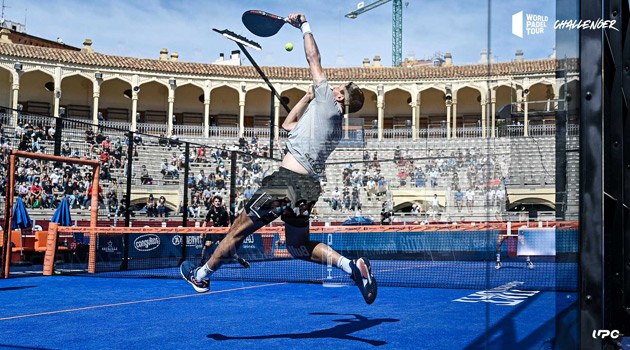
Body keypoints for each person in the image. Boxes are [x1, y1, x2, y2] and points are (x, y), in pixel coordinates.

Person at [180, 13, 375, 304]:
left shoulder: (328, 100)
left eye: (338, 88)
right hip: (308, 189)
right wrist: (307, 97)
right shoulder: (333, 125)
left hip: (286, 183)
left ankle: (202, 275)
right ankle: (350, 266)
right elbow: (288, 126)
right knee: (298, 247)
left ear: (342, 98)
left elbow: (313, 57)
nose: (333, 86)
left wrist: (304, 26)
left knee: (237, 230)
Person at [199, 195, 250, 268]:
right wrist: (202, 232)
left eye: (219, 201)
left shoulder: (223, 212)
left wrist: (229, 233)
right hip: (215, 231)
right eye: (216, 201)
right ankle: (202, 262)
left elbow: (229, 223)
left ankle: (241, 261)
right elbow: (205, 222)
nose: (217, 203)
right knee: (206, 246)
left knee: (231, 251)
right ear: (213, 203)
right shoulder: (211, 211)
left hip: (223, 232)